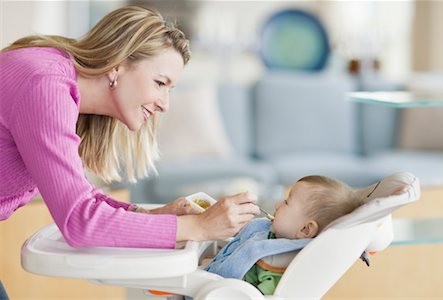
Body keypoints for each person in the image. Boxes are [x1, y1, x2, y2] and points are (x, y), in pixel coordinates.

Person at [0, 6, 261, 297]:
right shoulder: (45, 84)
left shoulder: (56, 82)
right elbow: (80, 221)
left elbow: (82, 198)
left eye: (170, 89)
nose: (165, 104)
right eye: (160, 83)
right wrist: (196, 227)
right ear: (117, 65)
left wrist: (155, 217)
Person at [205, 175, 365, 295]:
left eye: (286, 203)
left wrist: (212, 273)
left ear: (305, 230)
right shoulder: (274, 239)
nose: (277, 205)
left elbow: (255, 294)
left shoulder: (281, 264)